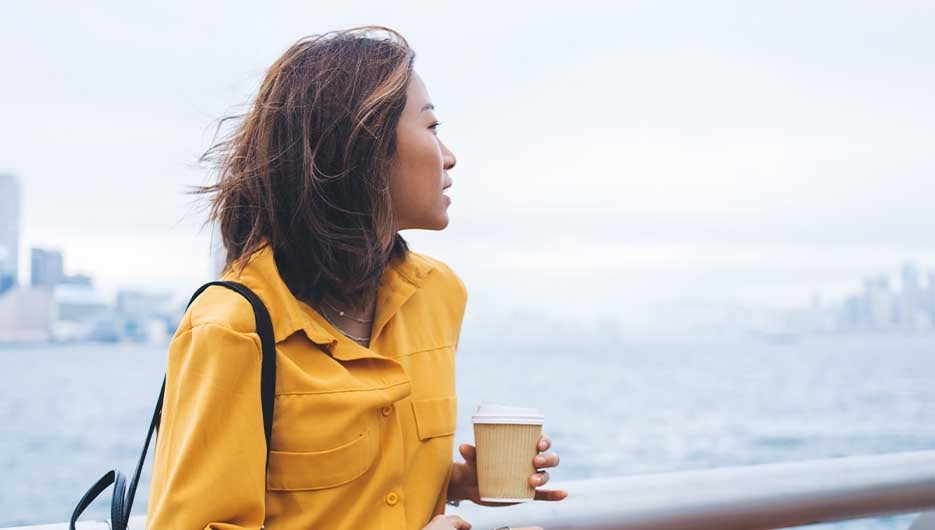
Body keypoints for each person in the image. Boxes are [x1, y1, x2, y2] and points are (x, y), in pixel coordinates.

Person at [145, 25, 567, 530]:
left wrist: (457, 481)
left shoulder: (439, 294)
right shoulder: (231, 327)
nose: (449, 155)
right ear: (364, 148)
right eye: (431, 127)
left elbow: (364, 488)